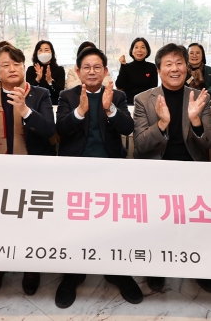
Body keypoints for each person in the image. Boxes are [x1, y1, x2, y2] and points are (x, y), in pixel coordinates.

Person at [0, 44, 56, 300]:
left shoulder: (39, 94)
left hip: (33, 172)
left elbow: (49, 130)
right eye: (6, 65)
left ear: (24, 66)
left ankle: (30, 268)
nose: (12, 69)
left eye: (17, 64)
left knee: (30, 222)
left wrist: (25, 110)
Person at [53, 47, 143, 308]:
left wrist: (110, 108)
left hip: (110, 169)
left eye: (97, 67)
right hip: (75, 170)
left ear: (105, 71)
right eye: (86, 67)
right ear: (78, 71)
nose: (92, 72)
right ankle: (73, 273)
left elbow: (128, 128)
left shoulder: (117, 95)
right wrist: (80, 112)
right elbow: (61, 130)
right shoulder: (67, 96)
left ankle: (116, 271)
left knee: (113, 223)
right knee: (75, 224)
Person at [132, 43, 211, 294]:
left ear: (187, 67)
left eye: (179, 63)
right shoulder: (143, 100)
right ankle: (156, 267)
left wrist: (196, 121)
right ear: (159, 69)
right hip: (156, 171)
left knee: (196, 223)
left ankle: (198, 267)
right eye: (168, 64)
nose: (175, 69)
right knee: (157, 224)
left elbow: (210, 142)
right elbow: (141, 145)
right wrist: (162, 123)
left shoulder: (200, 97)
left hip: (192, 168)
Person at [115, 37, 158, 104]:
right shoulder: (126, 67)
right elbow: (119, 85)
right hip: (128, 103)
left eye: (143, 47)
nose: (139, 50)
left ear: (147, 51)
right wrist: (123, 65)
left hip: (146, 104)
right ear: (132, 51)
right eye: (136, 47)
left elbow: (153, 90)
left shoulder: (152, 67)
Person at [26, 40, 65, 105]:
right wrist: (37, 79)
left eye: (46, 50)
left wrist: (50, 81)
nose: (43, 53)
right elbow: (28, 92)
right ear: (36, 53)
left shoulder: (59, 70)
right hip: (35, 105)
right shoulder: (31, 69)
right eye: (40, 50)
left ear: (52, 52)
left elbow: (60, 93)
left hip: (53, 104)